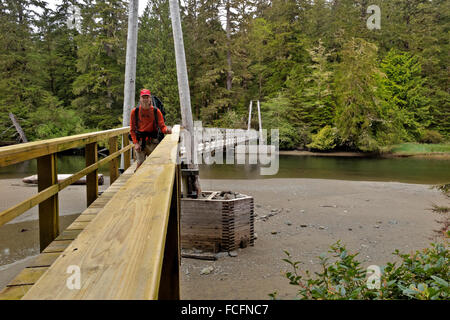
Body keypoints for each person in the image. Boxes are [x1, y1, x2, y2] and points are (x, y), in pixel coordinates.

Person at [130, 89, 172, 171]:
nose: (145, 99)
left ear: (150, 99)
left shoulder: (156, 111)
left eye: (147, 97)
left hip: (153, 142)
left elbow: (162, 127)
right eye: (143, 97)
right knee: (140, 164)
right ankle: (138, 181)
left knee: (154, 165)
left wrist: (167, 130)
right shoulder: (135, 112)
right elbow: (132, 130)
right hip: (140, 142)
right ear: (140, 99)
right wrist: (135, 143)